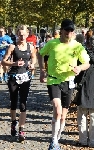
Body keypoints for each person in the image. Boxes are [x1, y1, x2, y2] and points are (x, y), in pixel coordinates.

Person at [38, 19, 90, 149]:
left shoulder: (77, 46)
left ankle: (58, 136)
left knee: (63, 115)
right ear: (61, 30)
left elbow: (87, 63)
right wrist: (42, 71)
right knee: (57, 109)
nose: (69, 32)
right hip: (53, 80)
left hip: (69, 81)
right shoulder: (52, 43)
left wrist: (79, 68)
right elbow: (40, 54)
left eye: (71, 30)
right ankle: (54, 140)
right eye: (67, 30)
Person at [1, 25, 36, 142]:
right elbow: (3, 61)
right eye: (20, 34)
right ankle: (13, 122)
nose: (21, 36)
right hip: (13, 77)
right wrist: (14, 64)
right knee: (13, 102)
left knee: (23, 104)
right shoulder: (12, 47)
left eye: (24, 34)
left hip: (25, 77)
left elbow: (34, 58)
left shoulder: (30, 47)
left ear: (27, 35)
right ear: (17, 34)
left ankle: (21, 130)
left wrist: (32, 64)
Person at [75, 49, 94, 148]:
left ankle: (83, 140)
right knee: (93, 117)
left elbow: (76, 77)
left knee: (82, 116)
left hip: (84, 91)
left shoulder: (83, 61)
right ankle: (92, 141)